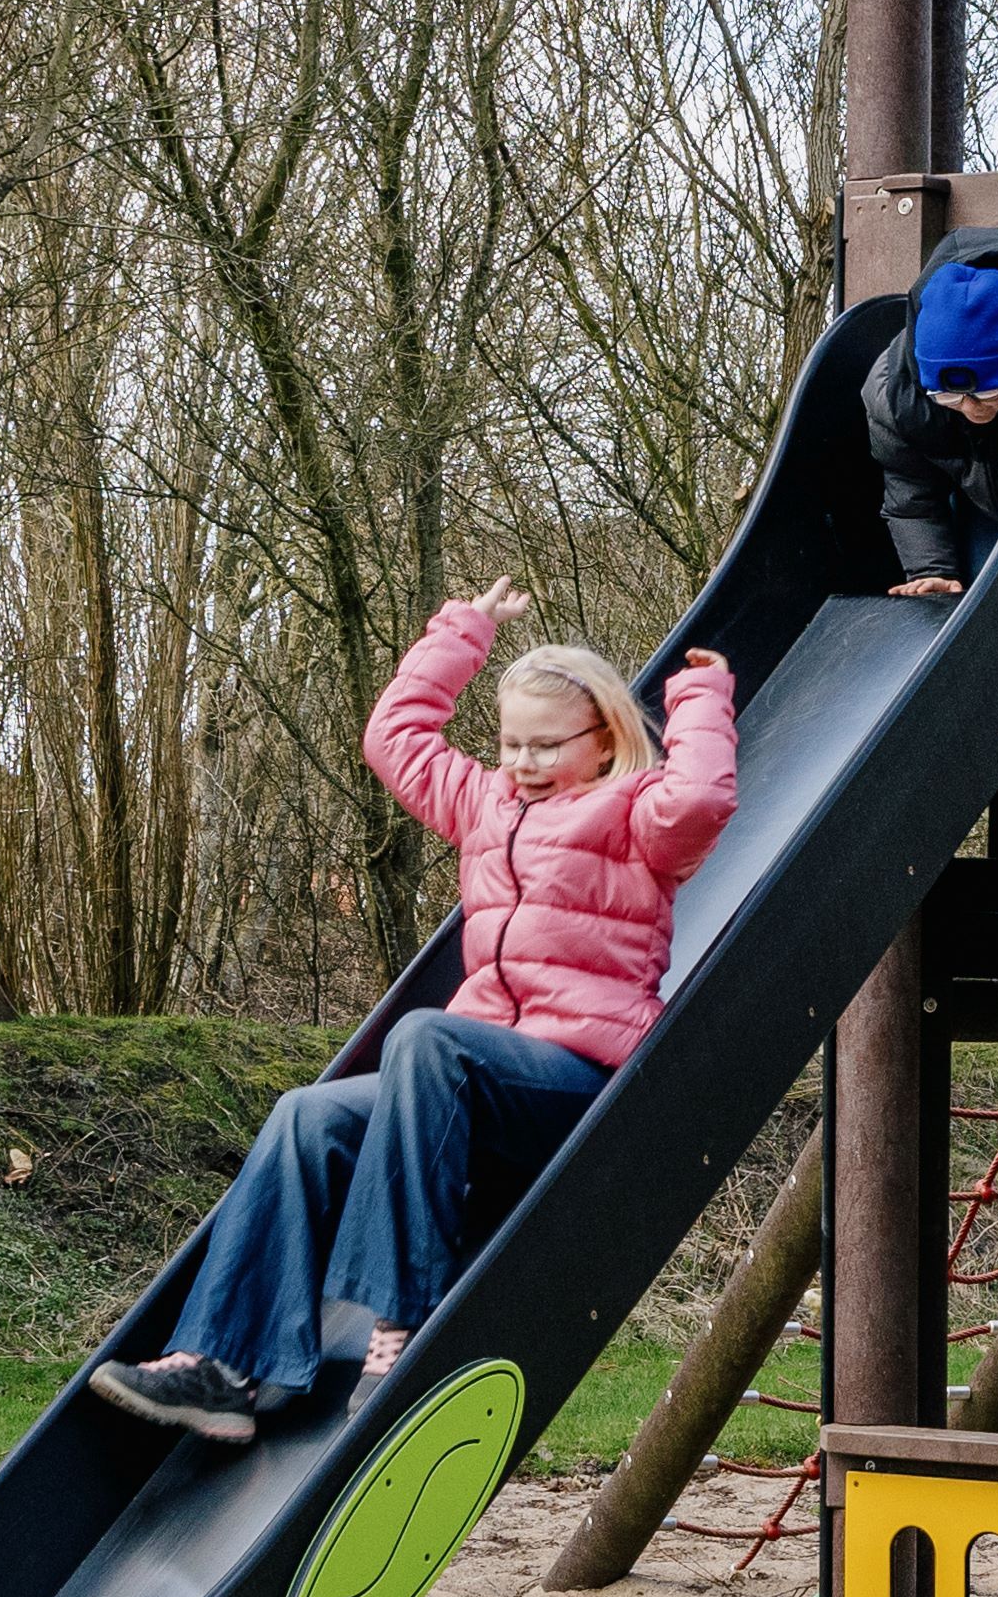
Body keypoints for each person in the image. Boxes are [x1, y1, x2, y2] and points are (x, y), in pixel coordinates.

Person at [89, 588, 737, 1441]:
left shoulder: (635, 816)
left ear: (605, 738)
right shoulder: (484, 805)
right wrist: (461, 633)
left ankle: (398, 1321)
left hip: (577, 1079)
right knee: (305, 1115)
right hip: (466, 1075)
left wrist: (700, 698)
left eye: (547, 745)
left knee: (425, 1038)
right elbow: (392, 740)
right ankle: (223, 1365)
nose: (524, 761)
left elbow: (702, 801)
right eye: (510, 742)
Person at [863, 232, 998, 599]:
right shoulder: (897, 396)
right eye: (949, 396)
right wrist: (931, 570)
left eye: (987, 392)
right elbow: (911, 495)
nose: (970, 409)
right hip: (973, 512)